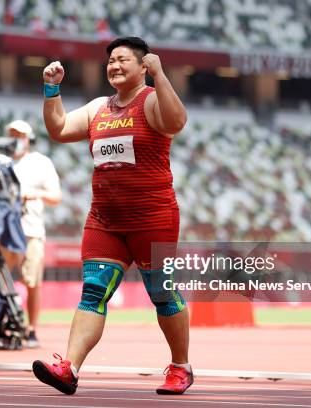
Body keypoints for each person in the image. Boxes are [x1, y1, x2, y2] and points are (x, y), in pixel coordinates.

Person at [32, 37, 192, 395]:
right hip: (104, 220)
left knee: (162, 295)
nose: (115, 66)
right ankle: (68, 368)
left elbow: (177, 122)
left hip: (153, 218)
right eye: (110, 62)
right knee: (92, 292)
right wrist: (51, 88)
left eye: (123, 60)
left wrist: (160, 74)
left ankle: (180, 367)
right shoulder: (97, 109)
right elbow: (57, 130)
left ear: (142, 66)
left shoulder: (151, 100)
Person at [5, 119, 62, 348]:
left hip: (32, 229)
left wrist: (30, 193)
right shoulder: (1, 160)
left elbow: (56, 197)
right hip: (4, 230)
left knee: (33, 282)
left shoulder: (40, 162)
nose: (15, 139)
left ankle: (31, 330)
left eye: (19, 135)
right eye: (11, 134)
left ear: (28, 139)